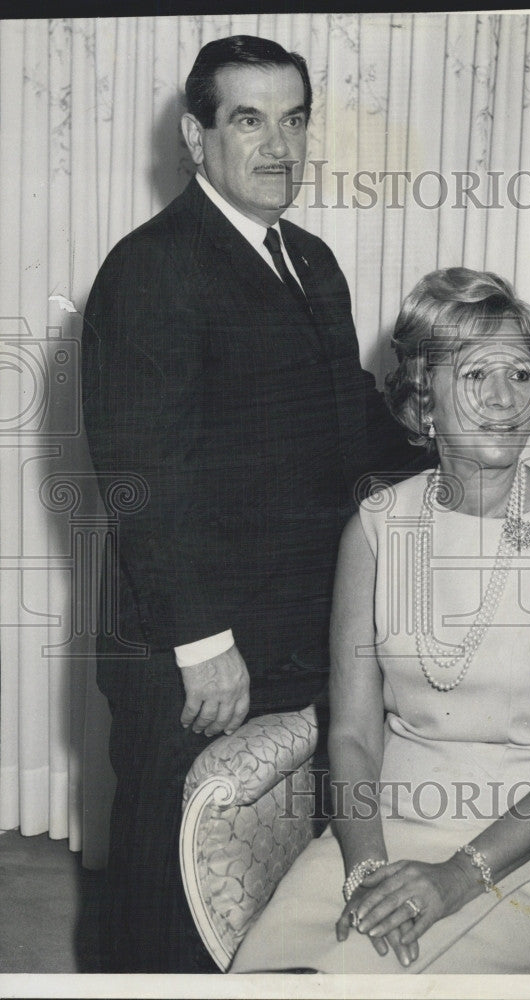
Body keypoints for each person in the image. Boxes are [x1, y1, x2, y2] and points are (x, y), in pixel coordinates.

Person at [81, 35, 418, 973]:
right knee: (169, 897)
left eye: (295, 118)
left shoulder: (308, 257)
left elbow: (344, 414)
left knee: (264, 893)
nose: (279, 145)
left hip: (301, 635)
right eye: (248, 119)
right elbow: (140, 475)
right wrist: (201, 643)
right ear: (196, 138)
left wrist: (446, 436)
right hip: (195, 657)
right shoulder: (152, 267)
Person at [230, 267, 530, 974]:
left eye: (521, 374)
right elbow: (353, 734)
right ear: (423, 399)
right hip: (379, 838)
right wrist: (366, 871)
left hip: (521, 857)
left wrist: (454, 877)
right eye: (477, 376)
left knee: (355, 980)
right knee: (262, 975)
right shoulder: (377, 532)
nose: (506, 400)